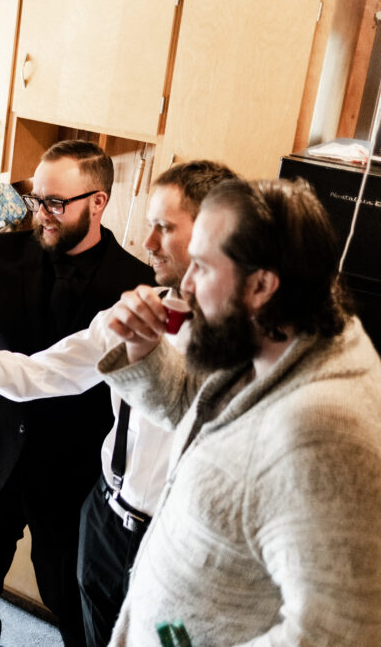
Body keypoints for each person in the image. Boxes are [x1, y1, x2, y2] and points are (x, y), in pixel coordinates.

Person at [0, 160, 236, 646]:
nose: (148, 243)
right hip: (64, 492)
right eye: (37, 200)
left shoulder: (167, 301)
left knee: (91, 620)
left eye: (164, 228)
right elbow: (32, 375)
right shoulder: (136, 305)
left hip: (118, 505)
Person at [98, 178, 381, 645]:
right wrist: (143, 349)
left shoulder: (324, 429)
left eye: (203, 269)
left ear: (262, 285)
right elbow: (199, 416)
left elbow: (342, 630)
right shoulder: (274, 342)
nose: (184, 286)